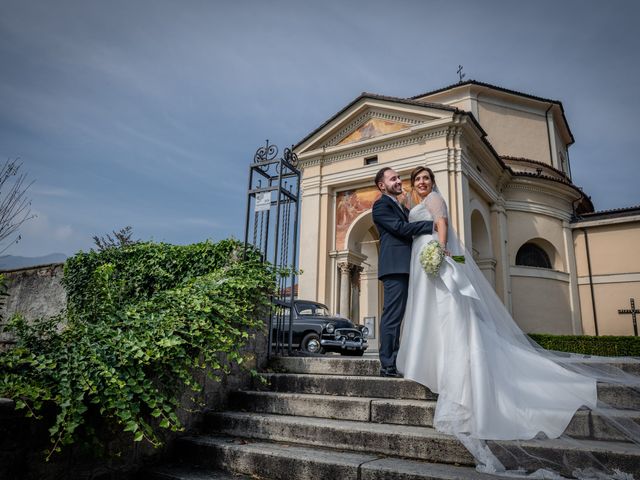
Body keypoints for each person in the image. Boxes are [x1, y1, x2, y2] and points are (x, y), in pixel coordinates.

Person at [396, 166, 640, 477]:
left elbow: (441, 223)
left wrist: (441, 250)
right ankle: (434, 360)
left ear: (432, 182)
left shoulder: (434, 200)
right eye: (417, 180)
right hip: (421, 258)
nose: (421, 183)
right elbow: (399, 203)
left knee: (447, 310)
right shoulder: (414, 201)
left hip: (433, 252)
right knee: (431, 310)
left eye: (426, 178)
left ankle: (449, 367)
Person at [371, 167, 433, 377]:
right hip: (395, 267)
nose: (399, 181)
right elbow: (400, 229)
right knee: (393, 316)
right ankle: (387, 364)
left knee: (406, 316)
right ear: (382, 185)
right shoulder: (381, 206)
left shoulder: (401, 206)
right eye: (393, 178)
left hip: (409, 265)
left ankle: (400, 360)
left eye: (398, 177)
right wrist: (432, 226)